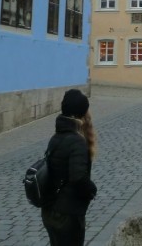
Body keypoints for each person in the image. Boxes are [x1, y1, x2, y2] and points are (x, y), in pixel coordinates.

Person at [41, 89, 98, 246]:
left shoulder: (56, 137)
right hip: (67, 214)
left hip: (50, 210)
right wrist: (92, 189)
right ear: (80, 114)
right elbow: (78, 176)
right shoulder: (77, 142)